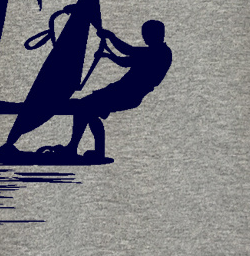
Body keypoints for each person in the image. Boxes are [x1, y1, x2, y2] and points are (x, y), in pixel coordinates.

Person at [36, 19, 171, 161]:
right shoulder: (154, 52)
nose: (145, 37)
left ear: (158, 34)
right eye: (144, 34)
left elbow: (128, 51)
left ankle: (74, 148)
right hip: (122, 92)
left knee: (83, 107)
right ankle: (90, 150)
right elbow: (125, 62)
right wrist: (108, 55)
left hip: (125, 94)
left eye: (147, 34)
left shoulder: (161, 53)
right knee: (87, 110)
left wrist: (111, 36)